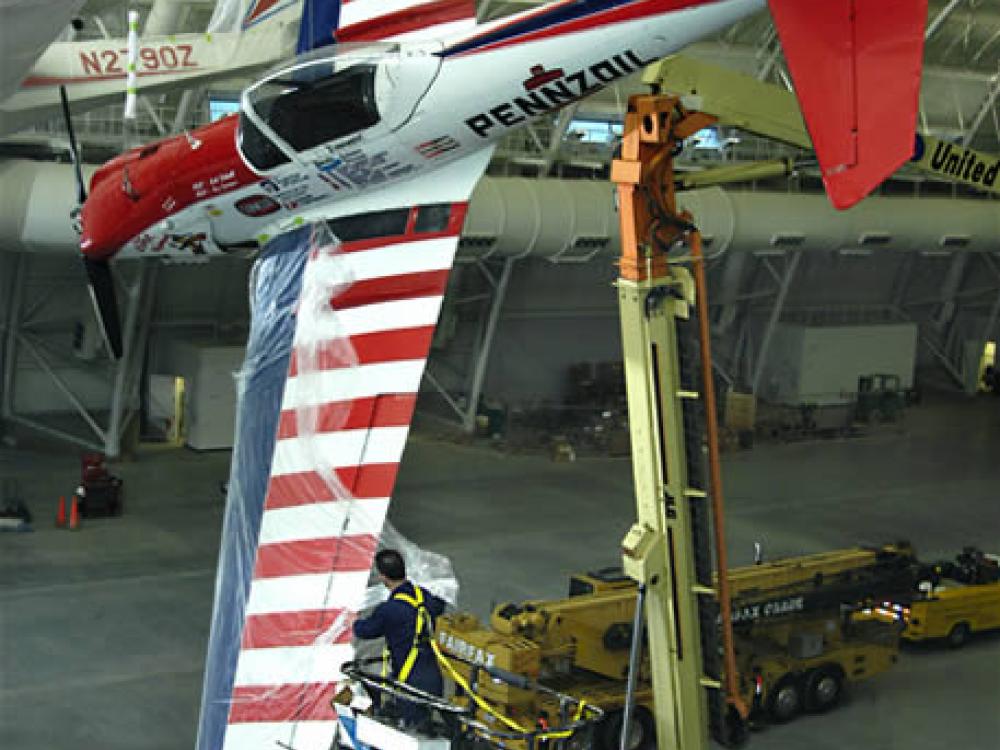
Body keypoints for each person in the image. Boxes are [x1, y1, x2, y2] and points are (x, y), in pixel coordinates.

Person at [353, 548, 446, 729]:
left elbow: (364, 630)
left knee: (410, 731)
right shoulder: (423, 596)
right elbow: (439, 605)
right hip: (433, 676)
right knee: (424, 726)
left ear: (382, 577)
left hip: (410, 682)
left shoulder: (389, 610)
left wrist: (353, 619)